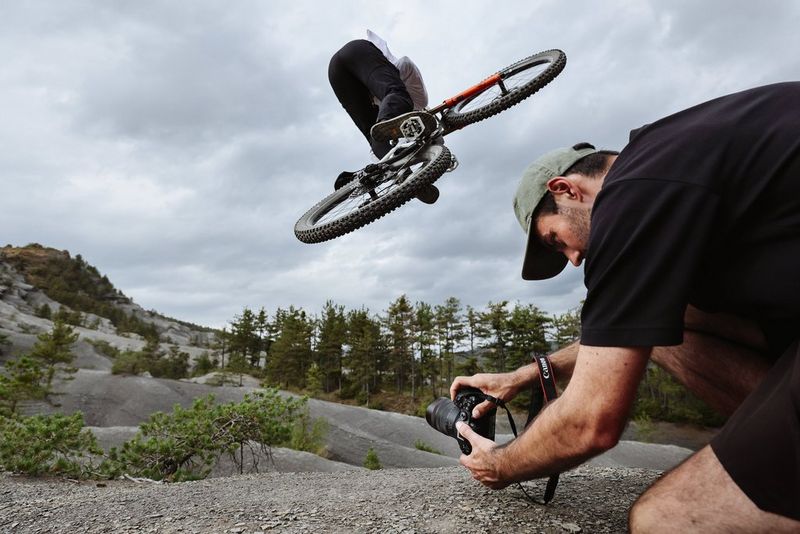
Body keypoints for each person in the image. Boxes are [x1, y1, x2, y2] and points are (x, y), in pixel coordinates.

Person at [450, 82, 800, 531]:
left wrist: (496, 465)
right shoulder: (674, 156)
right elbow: (631, 330)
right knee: (667, 327)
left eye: (556, 241)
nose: (573, 258)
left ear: (566, 189)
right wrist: (531, 373)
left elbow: (589, 423)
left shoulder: (630, 194)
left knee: (664, 519)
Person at [328, 30, 439, 203]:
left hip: (337, 74)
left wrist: (409, 175)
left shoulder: (391, 126)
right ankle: (387, 121)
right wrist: (387, 81)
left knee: (374, 137)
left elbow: (377, 152)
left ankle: (402, 175)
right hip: (357, 52)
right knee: (397, 94)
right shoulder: (420, 101)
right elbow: (405, 63)